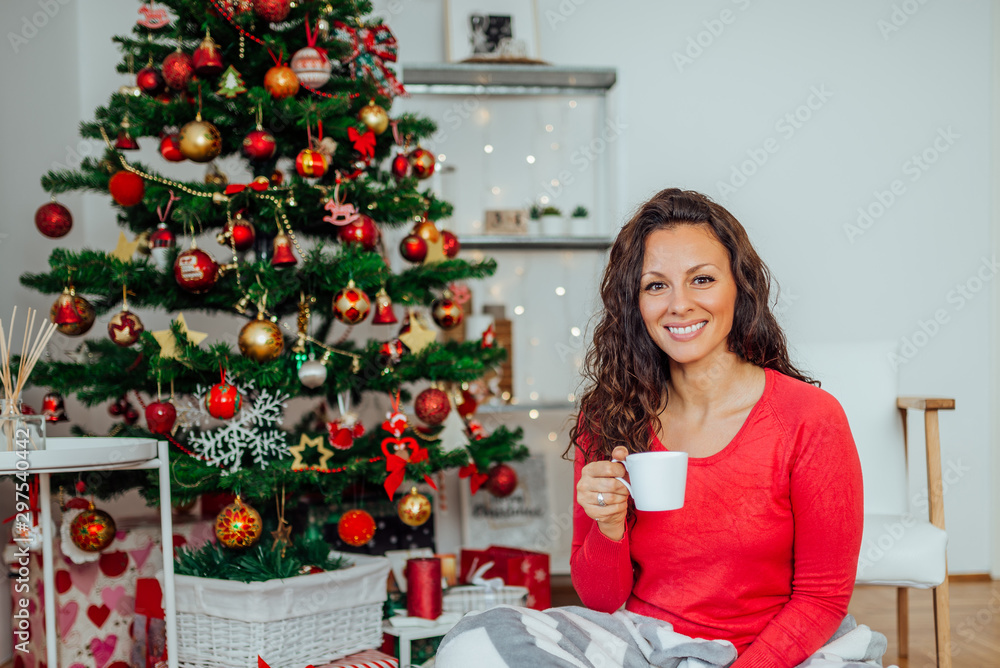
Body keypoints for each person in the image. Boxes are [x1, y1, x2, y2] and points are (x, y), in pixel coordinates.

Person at [436, 189, 879, 668]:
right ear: (635, 303)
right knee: (474, 646)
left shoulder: (809, 417)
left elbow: (822, 600)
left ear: (739, 287)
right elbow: (601, 600)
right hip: (645, 644)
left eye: (702, 279)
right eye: (655, 286)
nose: (679, 305)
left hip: (772, 653)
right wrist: (607, 526)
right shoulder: (609, 414)